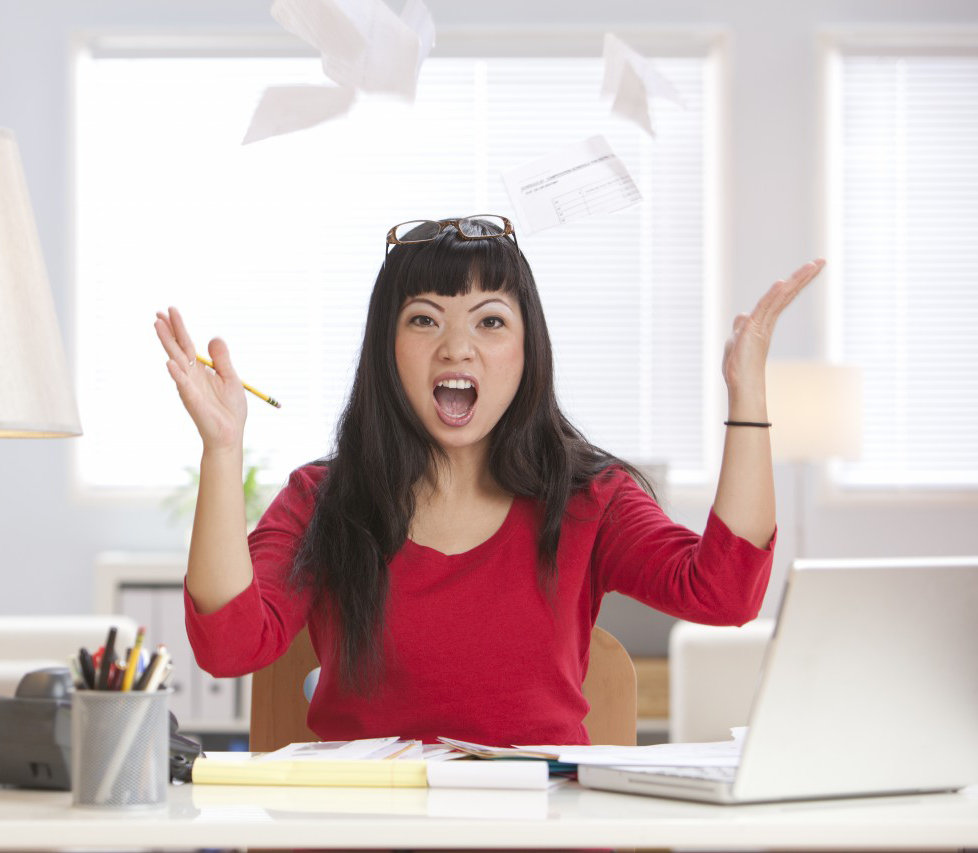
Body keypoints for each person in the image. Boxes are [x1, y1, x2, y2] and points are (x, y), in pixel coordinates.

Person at [154, 214, 824, 746]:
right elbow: (229, 644)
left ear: (525, 348)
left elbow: (727, 592)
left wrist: (748, 395)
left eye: (490, 321)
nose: (457, 347)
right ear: (386, 350)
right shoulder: (324, 499)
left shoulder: (591, 496)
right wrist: (222, 447)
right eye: (424, 319)